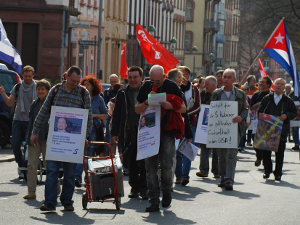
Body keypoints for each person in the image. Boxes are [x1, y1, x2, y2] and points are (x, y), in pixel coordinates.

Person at [30, 66, 93, 212]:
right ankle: (50, 202)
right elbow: (44, 111)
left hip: (73, 141)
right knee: (51, 170)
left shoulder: (84, 93)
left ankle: (67, 202)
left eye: (78, 81)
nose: (76, 84)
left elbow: (88, 117)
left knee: (70, 173)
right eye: (73, 80)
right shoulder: (56, 90)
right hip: (55, 139)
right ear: (66, 76)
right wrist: (35, 132)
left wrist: (85, 136)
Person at [136, 65, 186, 212]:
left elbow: (183, 108)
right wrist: (147, 101)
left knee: (166, 165)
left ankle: (166, 192)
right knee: (150, 168)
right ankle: (153, 200)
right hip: (149, 132)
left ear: (164, 77)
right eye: (153, 81)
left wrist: (170, 105)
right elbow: (137, 109)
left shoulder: (172, 86)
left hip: (167, 132)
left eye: (158, 81)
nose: (155, 84)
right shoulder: (146, 86)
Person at [111, 66, 148, 200]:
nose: (132, 80)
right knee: (130, 161)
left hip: (146, 131)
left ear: (141, 78)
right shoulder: (122, 92)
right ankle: (134, 187)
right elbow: (116, 114)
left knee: (145, 162)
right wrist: (115, 132)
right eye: (130, 77)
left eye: (135, 77)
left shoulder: (148, 90)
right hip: (128, 132)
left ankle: (144, 188)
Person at [211, 68, 248, 191]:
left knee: (231, 154)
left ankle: (229, 179)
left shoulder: (240, 94)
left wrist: (241, 117)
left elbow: (245, 109)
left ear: (234, 79)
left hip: (234, 127)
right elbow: (211, 109)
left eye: (228, 77)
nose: (225, 79)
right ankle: (222, 177)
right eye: (224, 77)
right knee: (221, 155)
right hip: (220, 128)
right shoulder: (217, 93)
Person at [0, 65, 37, 178]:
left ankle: (26, 167)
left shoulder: (37, 87)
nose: (27, 78)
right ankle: (21, 165)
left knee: (28, 146)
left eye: (30, 76)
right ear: (23, 76)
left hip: (31, 121)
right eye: (25, 76)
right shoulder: (18, 87)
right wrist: (3, 93)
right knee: (15, 144)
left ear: (33, 76)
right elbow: (10, 103)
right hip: (18, 120)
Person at [258, 78, 297, 181]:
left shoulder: (288, 100)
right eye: (277, 84)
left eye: (281, 84)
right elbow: (260, 111)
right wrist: (264, 117)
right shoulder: (267, 99)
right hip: (267, 130)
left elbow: (294, 113)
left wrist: (287, 115)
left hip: (281, 131)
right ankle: (267, 170)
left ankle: (278, 173)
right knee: (265, 151)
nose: (279, 86)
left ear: (284, 87)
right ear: (273, 86)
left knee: (279, 154)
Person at [74, 75, 108, 188]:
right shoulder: (79, 97)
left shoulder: (99, 99)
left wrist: (94, 115)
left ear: (93, 87)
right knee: (81, 154)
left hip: (93, 128)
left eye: (88, 84)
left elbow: (106, 115)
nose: (85, 86)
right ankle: (77, 178)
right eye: (84, 84)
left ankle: (88, 178)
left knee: (90, 153)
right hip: (80, 128)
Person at [23, 79, 51, 199]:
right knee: (31, 165)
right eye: (38, 89)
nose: (40, 91)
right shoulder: (34, 104)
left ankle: (55, 187)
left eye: (43, 89)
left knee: (48, 165)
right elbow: (30, 122)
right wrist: (28, 137)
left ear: (48, 91)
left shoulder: (51, 104)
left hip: (47, 138)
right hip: (34, 139)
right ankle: (31, 192)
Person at [166, 69, 193, 187]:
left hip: (177, 127)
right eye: (178, 77)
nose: (181, 80)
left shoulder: (180, 93)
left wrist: (189, 133)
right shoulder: (163, 91)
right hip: (164, 128)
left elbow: (184, 113)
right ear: (171, 79)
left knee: (176, 154)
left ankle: (177, 176)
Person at [175, 66, 200, 186]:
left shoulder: (194, 89)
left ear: (188, 76)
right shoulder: (174, 88)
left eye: (182, 74)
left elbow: (197, 107)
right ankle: (178, 176)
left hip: (190, 123)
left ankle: (185, 175)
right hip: (176, 124)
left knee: (188, 150)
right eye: (178, 75)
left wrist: (184, 114)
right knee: (177, 151)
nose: (180, 77)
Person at [196, 76, 219, 178]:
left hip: (217, 125)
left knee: (216, 149)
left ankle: (216, 171)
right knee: (204, 147)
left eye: (207, 84)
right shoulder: (202, 94)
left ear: (213, 85)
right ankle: (203, 170)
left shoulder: (219, 94)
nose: (204, 86)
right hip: (204, 124)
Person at [250, 76, 272, 167]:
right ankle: (259, 156)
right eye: (260, 81)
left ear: (268, 85)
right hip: (257, 120)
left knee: (265, 142)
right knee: (254, 139)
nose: (261, 83)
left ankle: (265, 160)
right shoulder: (256, 94)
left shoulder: (271, 95)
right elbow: (251, 108)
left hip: (268, 122)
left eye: (263, 82)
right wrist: (259, 104)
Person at [103, 74, 119, 151]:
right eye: (111, 81)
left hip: (118, 116)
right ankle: (109, 155)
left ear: (118, 81)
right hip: (110, 116)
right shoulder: (107, 92)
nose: (113, 83)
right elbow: (105, 104)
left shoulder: (121, 91)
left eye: (114, 81)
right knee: (108, 136)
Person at [238, 85, 251, 152]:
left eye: (246, 89)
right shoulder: (238, 97)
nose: (244, 90)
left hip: (245, 117)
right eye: (243, 89)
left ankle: (242, 146)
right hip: (238, 117)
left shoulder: (248, 99)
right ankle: (239, 145)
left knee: (243, 133)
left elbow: (247, 110)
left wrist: (248, 120)